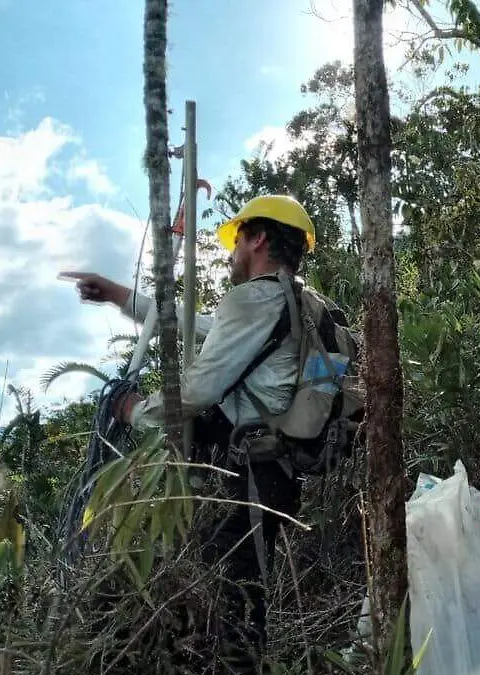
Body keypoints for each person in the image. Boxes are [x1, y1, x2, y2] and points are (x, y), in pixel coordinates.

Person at [63, 194, 318, 671]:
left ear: (258, 238)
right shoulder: (293, 301)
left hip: (252, 474)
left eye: (238, 238)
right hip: (276, 470)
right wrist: (121, 295)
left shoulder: (253, 299)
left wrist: (138, 409)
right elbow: (199, 326)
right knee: (239, 586)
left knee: (237, 595)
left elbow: (198, 391)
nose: (232, 250)